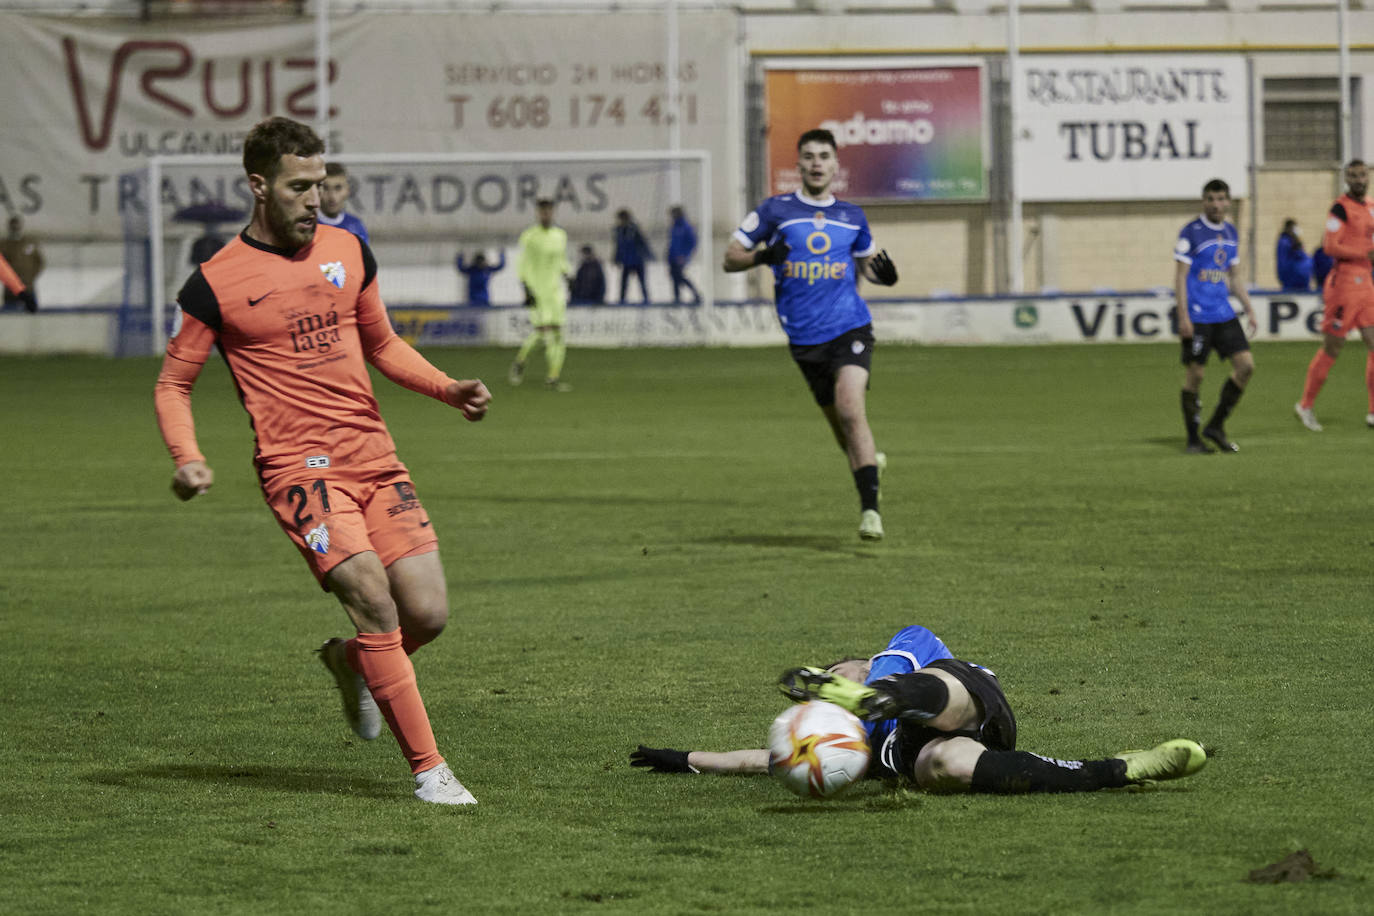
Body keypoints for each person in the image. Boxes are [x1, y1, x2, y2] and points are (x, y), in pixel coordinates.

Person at [152, 116, 491, 806]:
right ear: (259, 186)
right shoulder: (215, 283)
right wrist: (187, 457)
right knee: (373, 598)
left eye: (320, 183)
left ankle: (349, 662)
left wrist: (447, 388)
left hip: (374, 456)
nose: (316, 198)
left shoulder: (348, 249)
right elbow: (173, 383)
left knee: (425, 614)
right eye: (300, 186)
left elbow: (384, 344)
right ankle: (430, 771)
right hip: (298, 470)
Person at [630, 624, 1207, 795]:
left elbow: (918, 643)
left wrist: (874, 689)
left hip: (961, 696)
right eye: (828, 683)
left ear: (856, 664)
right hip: (938, 748)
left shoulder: (906, 647)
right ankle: (1121, 768)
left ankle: (889, 699)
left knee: (922, 696)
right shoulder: (844, 743)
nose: (829, 683)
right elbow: (764, 759)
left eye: (837, 674)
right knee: (946, 766)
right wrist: (684, 758)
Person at [722, 128, 899, 541]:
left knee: (851, 408)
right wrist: (764, 255)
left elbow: (870, 260)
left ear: (836, 165)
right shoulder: (774, 211)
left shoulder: (852, 216)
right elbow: (730, 258)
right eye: (809, 156)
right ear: (798, 164)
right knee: (842, 424)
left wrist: (885, 274)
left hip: (850, 327)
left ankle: (870, 511)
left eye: (824, 156)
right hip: (804, 339)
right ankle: (869, 460)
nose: (817, 163)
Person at [1172, 178, 1258, 454]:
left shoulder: (1231, 232)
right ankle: (1193, 439)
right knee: (1196, 375)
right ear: (1204, 201)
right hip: (1198, 316)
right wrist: (1183, 316)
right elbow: (1181, 277)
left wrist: (1249, 307)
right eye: (1211, 199)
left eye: (1221, 199)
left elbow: (1233, 276)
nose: (1216, 204)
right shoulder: (1191, 232)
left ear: (1228, 202)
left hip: (1223, 313)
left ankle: (1216, 426)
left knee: (1246, 366)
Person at [1294, 159, 1374, 432]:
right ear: (1346, 180)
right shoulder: (1340, 208)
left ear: (1368, 176)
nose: (1359, 180)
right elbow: (1330, 245)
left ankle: (1373, 412)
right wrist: (1365, 253)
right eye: (1353, 176)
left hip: (1366, 286)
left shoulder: (1371, 207)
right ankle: (1304, 406)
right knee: (1333, 347)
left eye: (1362, 175)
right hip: (1344, 285)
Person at [510, 198, 573, 391]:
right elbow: (522, 263)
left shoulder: (560, 235)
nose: (546, 214)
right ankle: (520, 361)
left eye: (549, 211)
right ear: (538, 213)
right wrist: (525, 288)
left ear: (552, 212)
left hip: (555, 292)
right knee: (542, 332)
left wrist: (569, 275)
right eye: (542, 211)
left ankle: (553, 378)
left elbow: (561, 259)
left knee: (558, 334)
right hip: (537, 291)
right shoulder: (529, 236)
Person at [319, 162, 369, 244]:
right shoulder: (309, 226)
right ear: (317, 190)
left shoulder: (355, 226)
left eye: (338, 188)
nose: (332, 196)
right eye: (326, 188)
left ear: (347, 190)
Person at [0, 216, 43, 311]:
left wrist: (30, 278)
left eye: (17, 225)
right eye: (13, 225)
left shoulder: (29, 243)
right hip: (10, 291)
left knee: (31, 319)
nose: (15, 227)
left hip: (27, 287)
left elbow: (39, 262)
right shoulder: (4, 244)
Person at [612, 208, 653, 304]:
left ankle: (646, 298)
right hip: (626, 260)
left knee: (642, 281)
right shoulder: (618, 231)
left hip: (637, 260)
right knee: (624, 282)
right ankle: (622, 299)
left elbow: (643, 243)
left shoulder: (634, 229)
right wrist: (617, 258)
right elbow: (618, 246)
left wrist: (647, 255)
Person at [666, 205, 701, 304]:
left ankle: (696, 294)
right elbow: (672, 243)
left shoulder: (686, 227)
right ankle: (677, 297)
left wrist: (684, 255)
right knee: (674, 277)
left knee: (679, 276)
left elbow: (692, 242)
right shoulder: (674, 227)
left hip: (680, 257)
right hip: (672, 257)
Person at [1275, 219, 1313, 291]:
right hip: (1291, 276)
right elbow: (1283, 262)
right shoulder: (1285, 242)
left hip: (1297, 276)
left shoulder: (1291, 241)